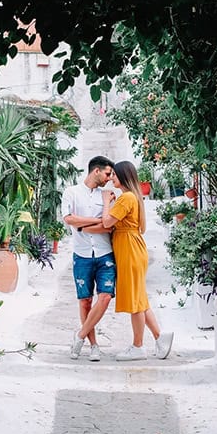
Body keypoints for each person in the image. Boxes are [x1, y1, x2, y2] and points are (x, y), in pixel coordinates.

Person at [101, 160, 174, 361]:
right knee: (140, 299)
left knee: (134, 301)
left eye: (114, 175)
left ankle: (138, 346)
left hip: (129, 250)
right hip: (133, 246)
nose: (111, 178)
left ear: (123, 176)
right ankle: (160, 338)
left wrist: (107, 202)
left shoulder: (126, 198)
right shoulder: (133, 197)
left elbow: (107, 222)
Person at [62, 155, 116, 362]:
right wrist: (96, 220)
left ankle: (79, 336)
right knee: (85, 301)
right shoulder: (71, 193)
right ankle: (93, 345)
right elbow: (69, 219)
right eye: (107, 173)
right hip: (82, 254)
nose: (110, 178)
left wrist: (84, 224)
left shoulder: (108, 196)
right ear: (96, 171)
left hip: (105, 253)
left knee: (105, 296)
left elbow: (109, 224)